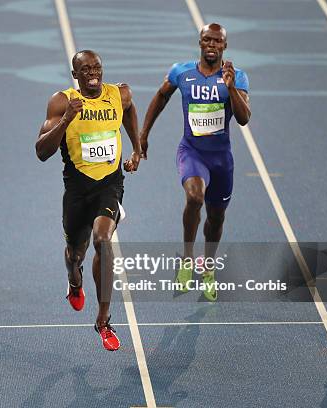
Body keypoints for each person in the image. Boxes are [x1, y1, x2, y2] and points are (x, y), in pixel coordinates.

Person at [36, 50, 141, 351]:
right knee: (74, 255)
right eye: (86, 70)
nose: (94, 74)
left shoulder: (118, 94)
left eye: (97, 68)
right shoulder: (61, 102)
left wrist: (136, 147)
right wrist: (67, 119)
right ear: (75, 75)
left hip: (109, 185)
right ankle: (74, 281)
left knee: (103, 240)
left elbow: (130, 109)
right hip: (77, 191)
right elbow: (42, 151)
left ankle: (104, 320)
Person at [139, 23, 251, 301]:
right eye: (207, 40)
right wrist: (143, 133)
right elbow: (161, 96)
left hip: (221, 159)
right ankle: (187, 259)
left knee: (216, 218)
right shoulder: (182, 72)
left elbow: (244, 118)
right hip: (192, 152)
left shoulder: (237, 77)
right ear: (200, 43)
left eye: (217, 41)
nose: (211, 45)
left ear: (225, 46)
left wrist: (231, 88)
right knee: (194, 197)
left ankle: (208, 266)